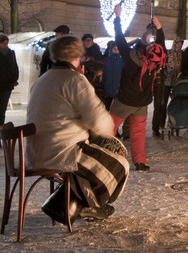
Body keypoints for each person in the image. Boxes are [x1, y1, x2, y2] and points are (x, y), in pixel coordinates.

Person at [27, 34, 129, 224]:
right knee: (119, 163)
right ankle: (88, 205)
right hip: (62, 151)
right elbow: (98, 120)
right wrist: (107, 135)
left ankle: (68, 202)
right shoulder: (74, 80)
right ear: (77, 55)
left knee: (91, 159)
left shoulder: (43, 79)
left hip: (36, 151)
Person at [109, 8, 165, 171]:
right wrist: (160, 29)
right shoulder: (156, 62)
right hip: (142, 102)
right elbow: (160, 46)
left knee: (107, 130)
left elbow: (119, 40)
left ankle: (101, 155)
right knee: (138, 134)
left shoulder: (131, 57)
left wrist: (118, 18)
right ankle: (139, 162)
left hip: (124, 101)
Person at [153, 37, 183, 138]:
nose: (179, 45)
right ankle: (161, 122)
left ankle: (173, 122)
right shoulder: (168, 53)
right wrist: (165, 74)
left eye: (180, 44)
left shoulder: (182, 54)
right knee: (163, 103)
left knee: (174, 103)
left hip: (176, 82)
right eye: (177, 43)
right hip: (166, 81)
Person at [101, 42, 123, 110]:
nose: (116, 50)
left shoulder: (122, 61)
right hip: (107, 88)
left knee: (117, 110)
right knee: (105, 108)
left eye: (118, 49)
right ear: (111, 49)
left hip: (118, 89)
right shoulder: (105, 60)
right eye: (114, 49)